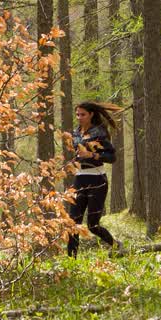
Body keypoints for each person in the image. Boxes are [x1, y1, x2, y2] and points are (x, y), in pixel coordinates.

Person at [66, 101, 121, 256]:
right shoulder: (76, 133)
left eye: (82, 114)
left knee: (92, 225)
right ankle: (71, 261)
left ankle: (116, 245)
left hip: (97, 180)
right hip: (80, 179)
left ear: (91, 114)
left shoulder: (99, 133)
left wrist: (92, 155)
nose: (79, 117)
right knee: (73, 223)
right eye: (77, 114)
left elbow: (112, 157)